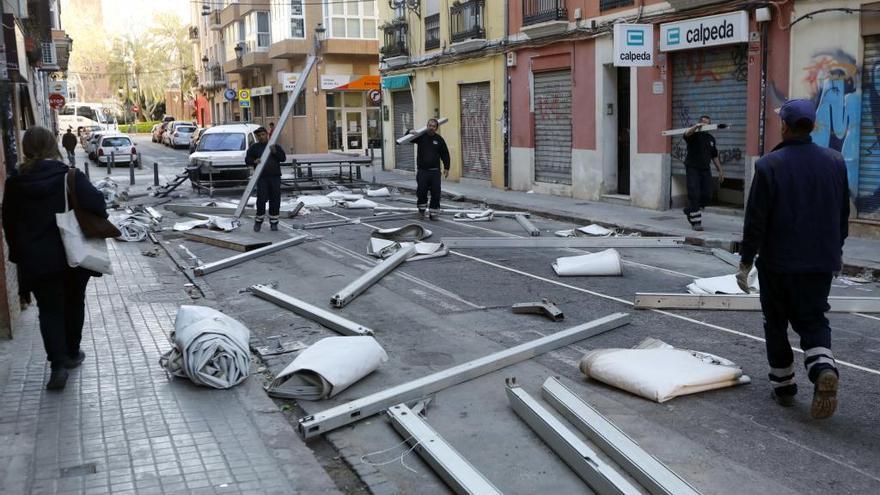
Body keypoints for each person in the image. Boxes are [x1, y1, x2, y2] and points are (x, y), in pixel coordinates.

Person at [737, 99, 848, 419]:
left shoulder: (769, 165)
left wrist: (745, 262)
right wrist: (834, 252)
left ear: (784, 126)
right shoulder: (835, 161)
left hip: (778, 265)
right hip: (820, 263)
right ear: (813, 126)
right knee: (814, 320)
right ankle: (823, 368)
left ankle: (784, 387)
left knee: (776, 323)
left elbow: (755, 220)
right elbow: (842, 216)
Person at [2, 126, 108, 390]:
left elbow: (9, 224)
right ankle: (73, 352)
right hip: (72, 255)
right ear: (53, 146)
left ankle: (57, 365)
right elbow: (98, 206)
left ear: (26, 148)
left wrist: (18, 256)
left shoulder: (14, 182)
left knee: (49, 311)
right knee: (74, 303)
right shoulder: (69, 176)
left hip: (37, 259)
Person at [682, 115, 724, 231]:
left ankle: (690, 210)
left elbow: (714, 156)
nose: (706, 125)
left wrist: (720, 170)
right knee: (694, 193)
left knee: (707, 194)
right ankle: (696, 222)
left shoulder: (711, 139)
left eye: (708, 123)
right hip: (692, 168)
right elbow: (686, 134)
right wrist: (696, 126)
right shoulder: (694, 135)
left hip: (705, 169)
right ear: (700, 123)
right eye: (703, 123)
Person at [406, 119, 450, 220]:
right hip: (422, 171)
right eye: (430, 125)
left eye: (434, 126)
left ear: (436, 128)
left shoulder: (439, 139)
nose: (431, 127)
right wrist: (409, 132)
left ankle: (433, 213)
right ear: (427, 126)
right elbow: (407, 139)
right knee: (421, 191)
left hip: (435, 172)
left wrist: (447, 167)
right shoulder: (420, 137)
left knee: (436, 193)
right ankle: (421, 211)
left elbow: (445, 154)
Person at [245, 126, 286, 231]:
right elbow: (247, 160)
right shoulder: (254, 148)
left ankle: (274, 222)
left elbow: (283, 159)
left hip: (275, 177)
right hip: (261, 177)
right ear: (257, 137)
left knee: (275, 199)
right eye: (259, 136)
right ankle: (258, 221)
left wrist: (275, 152)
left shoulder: (274, 146)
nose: (261, 137)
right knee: (261, 199)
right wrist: (254, 161)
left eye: (263, 135)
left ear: (267, 135)